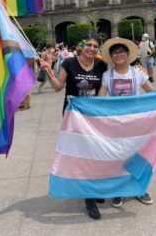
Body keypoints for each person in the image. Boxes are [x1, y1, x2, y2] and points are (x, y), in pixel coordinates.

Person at [98, 37, 156, 208]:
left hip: (137, 123)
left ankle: (139, 189)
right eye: (115, 52)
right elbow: (100, 99)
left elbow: (153, 94)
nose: (119, 54)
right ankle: (119, 191)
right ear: (111, 56)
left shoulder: (138, 72)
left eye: (122, 51)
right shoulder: (107, 75)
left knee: (138, 156)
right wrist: (80, 104)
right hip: (116, 124)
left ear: (128, 54)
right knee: (118, 157)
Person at [40, 33, 108, 220]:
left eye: (95, 46)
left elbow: (115, 76)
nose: (91, 49)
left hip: (94, 116)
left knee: (95, 153)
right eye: (88, 45)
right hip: (73, 117)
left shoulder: (102, 65)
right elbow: (57, 86)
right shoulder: (69, 63)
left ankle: (93, 189)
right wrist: (48, 70)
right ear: (81, 46)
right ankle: (89, 197)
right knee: (83, 155)